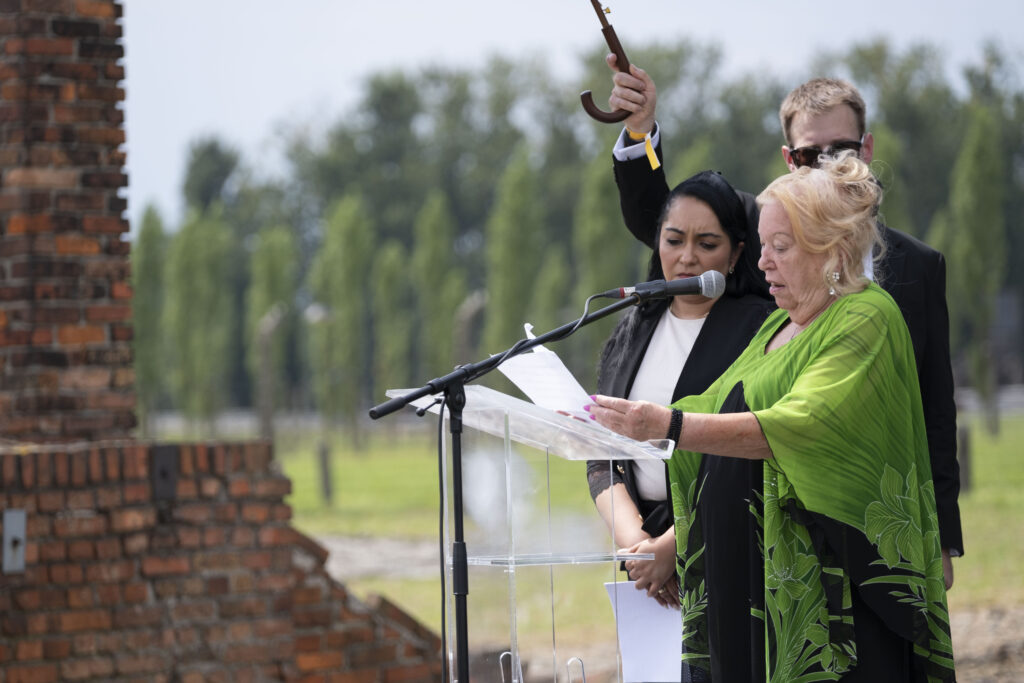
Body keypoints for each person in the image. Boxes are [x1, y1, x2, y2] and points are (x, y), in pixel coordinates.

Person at [587, 154, 956, 681]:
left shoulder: (865, 316)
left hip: (832, 596)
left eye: (780, 248)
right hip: (753, 585)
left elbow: (800, 425)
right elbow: (711, 404)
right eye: (764, 247)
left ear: (831, 250)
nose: (763, 264)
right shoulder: (779, 326)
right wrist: (608, 422)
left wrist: (666, 425)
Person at [605, 62, 963, 588]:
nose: (822, 169)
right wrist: (640, 132)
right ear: (787, 160)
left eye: (837, 152)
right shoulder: (763, 232)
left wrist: (943, 538)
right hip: (781, 525)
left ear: (866, 151)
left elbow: (931, 408)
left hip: (878, 515)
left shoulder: (918, 266)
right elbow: (666, 222)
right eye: (806, 156)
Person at [586, 170, 774, 610]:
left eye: (707, 244)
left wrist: (675, 547)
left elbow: (749, 453)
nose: (687, 257)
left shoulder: (763, 329)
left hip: (734, 549)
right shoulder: (633, 325)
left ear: (735, 254)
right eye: (673, 241)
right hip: (643, 564)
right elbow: (602, 454)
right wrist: (638, 547)